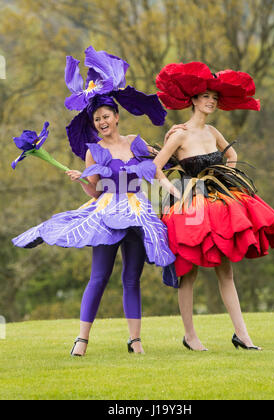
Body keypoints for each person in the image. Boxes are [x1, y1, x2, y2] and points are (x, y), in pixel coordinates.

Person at [12, 47, 175, 356]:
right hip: (106, 213)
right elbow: (95, 191)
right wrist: (81, 179)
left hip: (138, 212)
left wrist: (176, 140)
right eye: (97, 118)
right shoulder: (93, 150)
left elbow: (160, 164)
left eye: (106, 117)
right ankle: (82, 340)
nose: (102, 122)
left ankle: (135, 341)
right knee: (99, 276)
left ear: (116, 116)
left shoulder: (136, 142)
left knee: (132, 278)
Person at [153, 62, 274, 351]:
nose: (211, 101)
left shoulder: (212, 131)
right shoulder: (180, 134)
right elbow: (156, 168)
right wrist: (175, 190)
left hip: (217, 204)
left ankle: (242, 335)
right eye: (206, 97)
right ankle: (190, 337)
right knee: (188, 271)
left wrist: (226, 176)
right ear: (194, 100)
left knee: (226, 270)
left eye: (214, 97)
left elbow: (232, 154)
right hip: (189, 206)